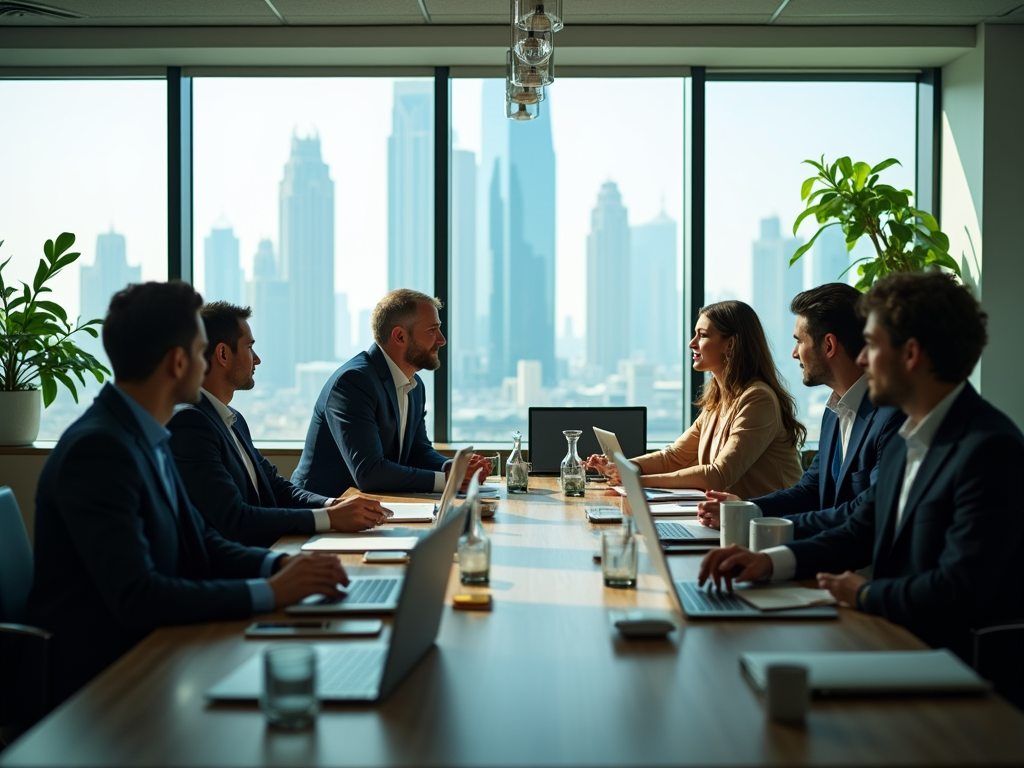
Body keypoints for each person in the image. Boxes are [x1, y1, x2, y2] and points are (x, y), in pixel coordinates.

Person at [27, 282, 348, 704]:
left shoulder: (146, 437)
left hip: (156, 656)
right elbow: (139, 597)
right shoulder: (100, 450)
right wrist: (271, 592)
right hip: (104, 688)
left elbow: (203, 542)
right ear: (180, 362)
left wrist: (280, 566)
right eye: (202, 351)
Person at [698, 271, 1024, 661]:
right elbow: (861, 529)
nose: (863, 359)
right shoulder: (912, 436)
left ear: (910, 354)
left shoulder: (989, 448)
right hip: (892, 636)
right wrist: (767, 562)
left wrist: (863, 592)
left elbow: (958, 590)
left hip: (951, 664)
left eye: (871, 345)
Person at [168, 302, 390, 548]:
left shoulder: (233, 419)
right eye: (250, 347)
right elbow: (234, 519)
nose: (258, 359)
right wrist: (329, 519)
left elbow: (275, 486)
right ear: (222, 354)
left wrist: (332, 505)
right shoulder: (190, 423)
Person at [696, 283, 903, 536]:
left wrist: (754, 522)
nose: (794, 354)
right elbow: (811, 490)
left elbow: (865, 514)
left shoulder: (890, 416)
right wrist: (745, 508)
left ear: (828, 345)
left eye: (799, 341)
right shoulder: (834, 411)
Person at [586, 300, 804, 498]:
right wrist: (622, 467)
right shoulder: (719, 401)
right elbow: (675, 456)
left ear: (730, 344)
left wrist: (636, 481)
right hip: (733, 519)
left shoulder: (757, 399)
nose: (692, 343)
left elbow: (718, 475)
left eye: (703, 335)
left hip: (772, 524)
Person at [292, 289, 489, 495]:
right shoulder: (353, 382)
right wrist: (450, 480)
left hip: (370, 510)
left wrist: (451, 467)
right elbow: (370, 473)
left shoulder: (415, 385)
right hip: (321, 512)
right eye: (432, 330)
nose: (441, 340)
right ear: (400, 336)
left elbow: (417, 451)